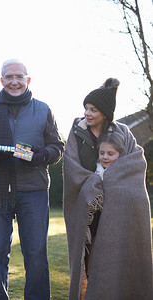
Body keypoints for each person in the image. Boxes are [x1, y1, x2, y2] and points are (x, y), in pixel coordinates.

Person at [0, 59, 64, 299]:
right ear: (2, 81)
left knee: (35, 253)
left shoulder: (43, 109)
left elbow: (57, 146)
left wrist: (41, 155)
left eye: (19, 76)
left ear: (28, 80)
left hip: (33, 190)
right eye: (9, 77)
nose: (14, 81)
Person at [63, 78, 153, 299]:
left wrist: (109, 179)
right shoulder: (77, 132)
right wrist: (94, 183)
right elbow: (71, 167)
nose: (88, 113)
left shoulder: (122, 131)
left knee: (115, 257)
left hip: (116, 211)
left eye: (93, 109)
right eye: (86, 108)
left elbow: (135, 162)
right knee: (88, 258)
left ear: (105, 112)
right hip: (88, 209)